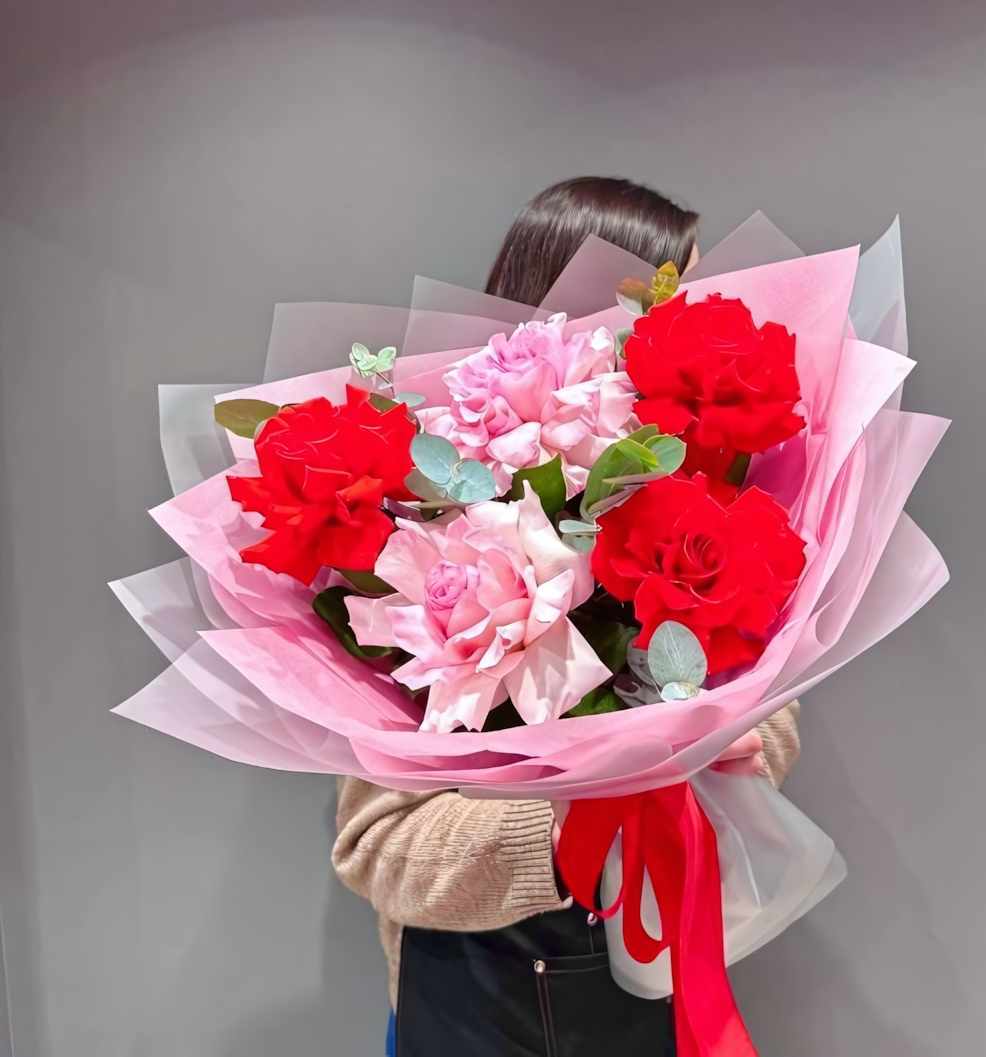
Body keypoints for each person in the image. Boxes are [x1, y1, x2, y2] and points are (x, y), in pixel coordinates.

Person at [333, 177, 802, 1057]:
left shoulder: (705, 505)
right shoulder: (429, 540)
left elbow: (772, 715)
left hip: (654, 983)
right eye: (664, 298)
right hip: (478, 1009)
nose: (687, 321)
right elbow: (380, 848)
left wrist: (728, 758)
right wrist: (572, 827)